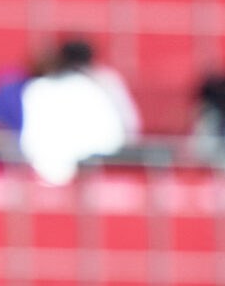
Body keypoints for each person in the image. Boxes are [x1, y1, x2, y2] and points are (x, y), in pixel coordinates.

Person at [18, 38, 141, 185]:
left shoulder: (99, 82)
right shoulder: (41, 89)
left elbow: (120, 132)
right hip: (65, 164)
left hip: (101, 158)